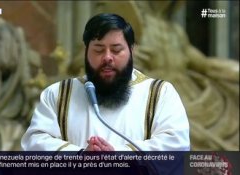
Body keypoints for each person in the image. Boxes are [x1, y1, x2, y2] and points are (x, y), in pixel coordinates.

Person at [21, 13, 190, 152]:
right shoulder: (58, 94)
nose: (107, 57)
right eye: (99, 50)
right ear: (86, 51)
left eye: (116, 50)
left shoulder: (161, 94)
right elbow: (34, 142)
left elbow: (176, 146)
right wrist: (80, 156)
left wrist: (118, 155)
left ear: (131, 50)